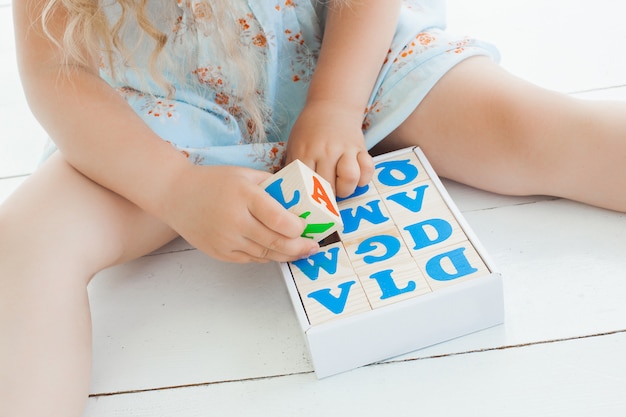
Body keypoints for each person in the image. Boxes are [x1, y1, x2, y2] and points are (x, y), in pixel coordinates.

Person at [2, 0, 626, 415]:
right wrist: (175, 188)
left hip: (338, 56)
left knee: (532, 130)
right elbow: (53, 68)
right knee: (28, 242)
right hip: (154, 110)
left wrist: (334, 104)